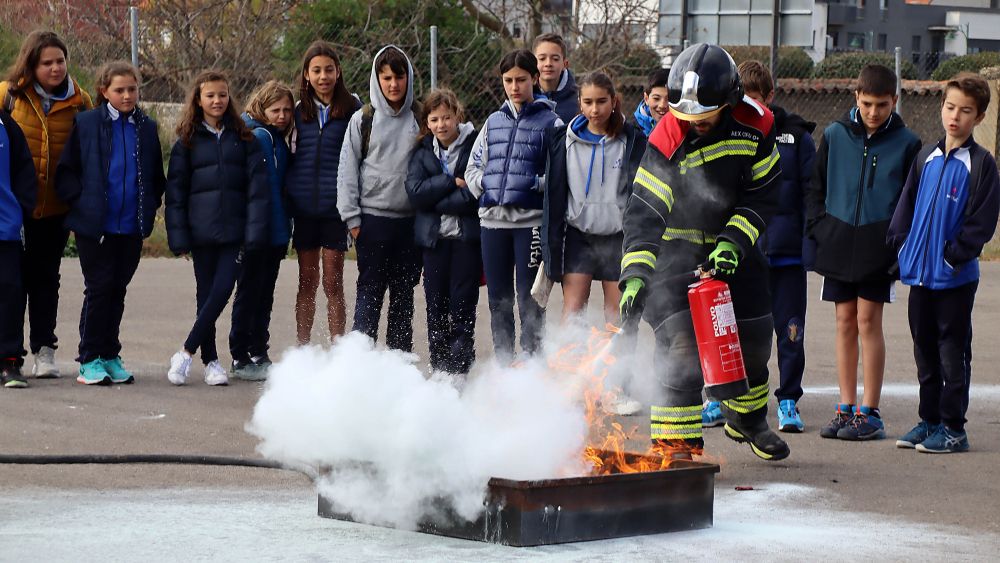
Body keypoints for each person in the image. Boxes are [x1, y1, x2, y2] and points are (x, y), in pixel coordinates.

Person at [618, 43, 789, 461]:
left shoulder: (757, 127)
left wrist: (733, 242)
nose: (693, 124)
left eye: (704, 117)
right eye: (686, 116)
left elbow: (762, 196)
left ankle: (747, 420)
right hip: (674, 257)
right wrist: (636, 274)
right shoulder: (666, 138)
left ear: (729, 102)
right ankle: (676, 444)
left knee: (752, 336)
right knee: (681, 349)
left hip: (734, 250)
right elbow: (643, 214)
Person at [806, 64, 921, 441]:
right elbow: (815, 187)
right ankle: (845, 407)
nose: (874, 112)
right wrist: (819, 228)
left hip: (878, 246)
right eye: (868, 103)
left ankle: (869, 411)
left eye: (882, 105)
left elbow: (911, 200)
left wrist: (897, 244)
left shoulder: (907, 144)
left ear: (895, 101)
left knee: (868, 321)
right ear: (856, 97)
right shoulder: (836, 135)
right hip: (837, 240)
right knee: (844, 321)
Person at [888, 72, 999, 454]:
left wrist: (954, 256)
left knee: (953, 352)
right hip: (920, 276)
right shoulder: (925, 158)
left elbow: (981, 223)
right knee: (925, 351)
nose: (956, 116)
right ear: (942, 108)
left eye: (966, 111)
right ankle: (929, 420)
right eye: (950, 107)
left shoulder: (982, 165)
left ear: (979, 117)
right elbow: (905, 207)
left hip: (954, 279)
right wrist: (901, 247)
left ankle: (954, 428)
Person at [55, 61, 165, 385]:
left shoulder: (146, 128)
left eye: (132, 89)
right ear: (104, 91)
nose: (127, 95)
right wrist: (82, 206)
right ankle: (89, 358)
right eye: (119, 90)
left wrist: (150, 205)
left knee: (118, 290)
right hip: (95, 227)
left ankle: (110, 354)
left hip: (131, 226)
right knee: (99, 289)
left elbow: (156, 176)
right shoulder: (87, 124)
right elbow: (67, 171)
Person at [165, 70, 269, 386]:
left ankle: (185, 351)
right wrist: (179, 236)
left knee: (222, 291)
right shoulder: (186, 140)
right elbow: (176, 192)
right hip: (200, 233)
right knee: (205, 296)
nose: (217, 100)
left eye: (222, 94)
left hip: (234, 234)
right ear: (198, 99)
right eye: (210, 95)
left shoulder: (245, 137)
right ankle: (211, 362)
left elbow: (257, 191)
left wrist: (253, 233)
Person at [1, 30, 93, 378]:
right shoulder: (7, 95)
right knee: (11, 283)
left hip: (55, 208)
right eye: (47, 63)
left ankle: (44, 350)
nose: (55, 68)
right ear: (31, 64)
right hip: (13, 210)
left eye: (60, 61)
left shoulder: (81, 101)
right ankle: (9, 355)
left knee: (45, 280)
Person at [733, 60, 816, 433]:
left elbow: (812, 195)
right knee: (738, 334)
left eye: (756, 101)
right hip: (744, 255)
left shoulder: (797, 138)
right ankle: (729, 402)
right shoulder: (728, 136)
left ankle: (787, 402)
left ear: (770, 97)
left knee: (790, 331)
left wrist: (809, 245)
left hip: (787, 255)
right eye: (742, 102)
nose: (749, 109)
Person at [465, 49, 562, 366]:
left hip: (530, 225)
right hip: (492, 225)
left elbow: (561, 177)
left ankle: (533, 366)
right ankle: (504, 366)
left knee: (530, 301)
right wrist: (487, 186)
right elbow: (472, 170)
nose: (514, 86)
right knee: (498, 300)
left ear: (535, 78)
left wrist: (534, 185)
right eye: (508, 80)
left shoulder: (552, 123)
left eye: (521, 79)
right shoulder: (493, 122)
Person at [542, 71, 644, 326]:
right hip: (579, 234)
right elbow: (554, 195)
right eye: (588, 102)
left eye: (601, 101)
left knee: (616, 315)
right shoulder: (562, 139)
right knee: (573, 311)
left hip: (618, 236)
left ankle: (615, 367)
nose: (595, 109)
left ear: (614, 100)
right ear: (579, 102)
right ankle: (571, 364)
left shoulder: (631, 140)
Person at [337, 45, 422, 352]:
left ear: (408, 78)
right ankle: (360, 362)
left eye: (399, 77)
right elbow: (347, 170)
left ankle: (398, 363)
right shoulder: (363, 119)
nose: (393, 84)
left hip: (409, 224)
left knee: (404, 295)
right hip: (371, 222)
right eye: (386, 78)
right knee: (370, 292)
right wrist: (352, 220)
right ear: (377, 79)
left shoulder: (420, 118)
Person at [285, 40, 360, 346]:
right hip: (304, 210)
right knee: (307, 282)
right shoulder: (295, 111)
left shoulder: (353, 109)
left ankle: (338, 349)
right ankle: (303, 348)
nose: (323, 76)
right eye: (316, 70)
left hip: (335, 209)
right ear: (306, 75)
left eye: (329, 69)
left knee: (333, 283)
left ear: (338, 71)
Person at [405, 89, 480, 375]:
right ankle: (440, 366)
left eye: (447, 117)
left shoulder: (475, 144)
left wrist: (434, 198)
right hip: (433, 242)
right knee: (436, 305)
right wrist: (450, 182)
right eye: (434, 119)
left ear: (457, 116)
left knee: (462, 304)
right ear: (427, 122)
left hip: (465, 240)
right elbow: (415, 194)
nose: (441, 125)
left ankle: (460, 366)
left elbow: (474, 194)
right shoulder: (422, 150)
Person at [229, 80, 294, 380]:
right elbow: (261, 190)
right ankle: (241, 355)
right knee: (249, 292)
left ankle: (258, 350)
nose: (282, 115)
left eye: (286, 110)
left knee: (264, 294)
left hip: (275, 232)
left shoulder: (278, 137)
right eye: (275, 110)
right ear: (262, 108)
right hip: (257, 233)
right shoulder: (259, 136)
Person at [0, 107, 38, 388]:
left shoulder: (6, 123)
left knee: (11, 292)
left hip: (6, 228)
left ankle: (9, 360)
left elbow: (25, 169)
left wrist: (20, 211)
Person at [533, 33, 578, 123]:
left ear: (565, 64)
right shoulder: (525, 97)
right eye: (542, 58)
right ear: (533, 62)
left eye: (555, 59)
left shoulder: (579, 99)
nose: (548, 63)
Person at [632, 69, 669, 137]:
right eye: (656, 98)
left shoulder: (688, 130)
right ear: (646, 98)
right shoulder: (630, 132)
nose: (662, 105)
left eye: (669, 99)